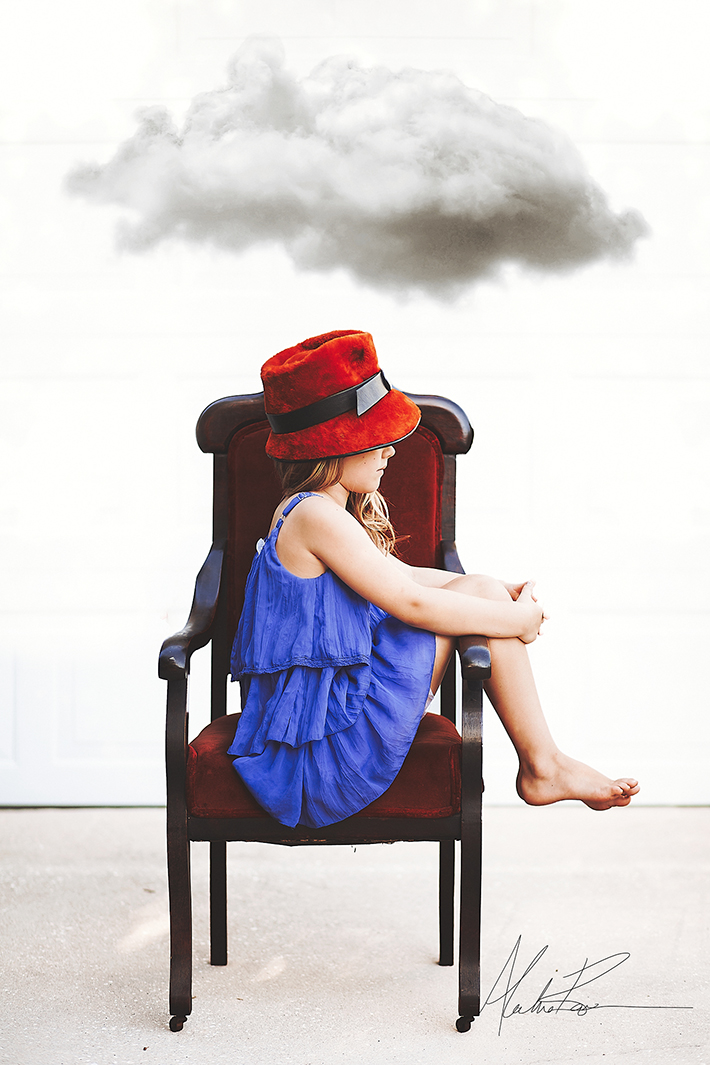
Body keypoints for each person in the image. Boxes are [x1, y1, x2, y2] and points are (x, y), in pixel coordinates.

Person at [228, 329, 639, 828]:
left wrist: (492, 589)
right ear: (335, 446)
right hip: (324, 757)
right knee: (481, 604)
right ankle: (543, 765)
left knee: (481, 590)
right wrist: (518, 620)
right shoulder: (316, 516)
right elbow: (412, 604)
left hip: (331, 730)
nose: (390, 453)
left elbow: (400, 575)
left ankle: (543, 763)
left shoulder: (319, 512)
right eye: (377, 440)